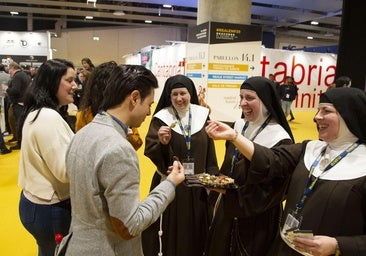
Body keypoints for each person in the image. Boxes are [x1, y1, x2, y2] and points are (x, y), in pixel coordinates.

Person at [205, 87, 366, 256]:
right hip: (285, 248)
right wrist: (234, 136)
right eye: (318, 110)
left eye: (326, 111)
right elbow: (270, 159)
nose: (317, 116)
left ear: (349, 117)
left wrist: (337, 245)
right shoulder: (309, 148)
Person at [62, 64, 185, 256]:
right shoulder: (118, 148)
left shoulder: (82, 133)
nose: (148, 112)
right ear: (135, 98)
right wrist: (169, 185)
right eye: (149, 105)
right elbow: (130, 226)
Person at [204, 76, 294, 256]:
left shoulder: (280, 138)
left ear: (266, 101)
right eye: (241, 97)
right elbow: (229, 162)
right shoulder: (239, 125)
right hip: (228, 209)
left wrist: (232, 194)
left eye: (250, 98)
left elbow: (273, 191)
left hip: (257, 218)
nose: (243, 103)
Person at [142, 74, 219, 256]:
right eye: (174, 94)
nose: (179, 98)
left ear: (190, 93)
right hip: (172, 186)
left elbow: (210, 150)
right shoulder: (162, 118)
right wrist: (162, 142)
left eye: (182, 93)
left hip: (198, 185)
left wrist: (212, 177)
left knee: (196, 232)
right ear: (169, 96)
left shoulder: (202, 115)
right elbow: (151, 150)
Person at [17, 59, 77, 256]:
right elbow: (65, 172)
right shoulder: (48, 118)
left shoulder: (39, 112)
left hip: (38, 204)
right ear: (52, 82)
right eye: (69, 80)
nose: (75, 86)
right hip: (50, 209)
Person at [75, 60, 143, 150]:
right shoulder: (86, 114)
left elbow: (137, 142)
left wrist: (128, 135)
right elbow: (82, 145)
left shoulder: (122, 110)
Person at [6, 61, 32, 149]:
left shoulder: (17, 76)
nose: (8, 71)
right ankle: (18, 139)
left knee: (19, 123)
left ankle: (20, 143)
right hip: (24, 102)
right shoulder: (24, 75)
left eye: (9, 68)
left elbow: (16, 91)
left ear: (13, 68)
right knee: (18, 122)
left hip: (19, 103)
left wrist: (7, 89)